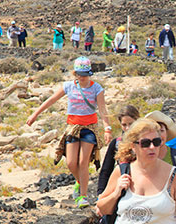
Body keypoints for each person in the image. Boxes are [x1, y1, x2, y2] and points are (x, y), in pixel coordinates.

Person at [26, 57, 112, 208]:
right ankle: (80, 181)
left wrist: (107, 129)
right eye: (79, 74)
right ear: (75, 73)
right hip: (73, 127)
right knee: (71, 163)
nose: (82, 77)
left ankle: (83, 197)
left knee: (83, 162)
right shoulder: (68, 86)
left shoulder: (97, 88)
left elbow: (103, 110)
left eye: (85, 74)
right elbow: (51, 100)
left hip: (89, 128)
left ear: (90, 73)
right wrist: (35, 114)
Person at [97, 105, 141, 197]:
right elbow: (106, 170)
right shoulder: (116, 143)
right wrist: (100, 194)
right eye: (124, 125)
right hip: (122, 188)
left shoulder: (146, 142)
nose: (127, 128)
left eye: (131, 124)